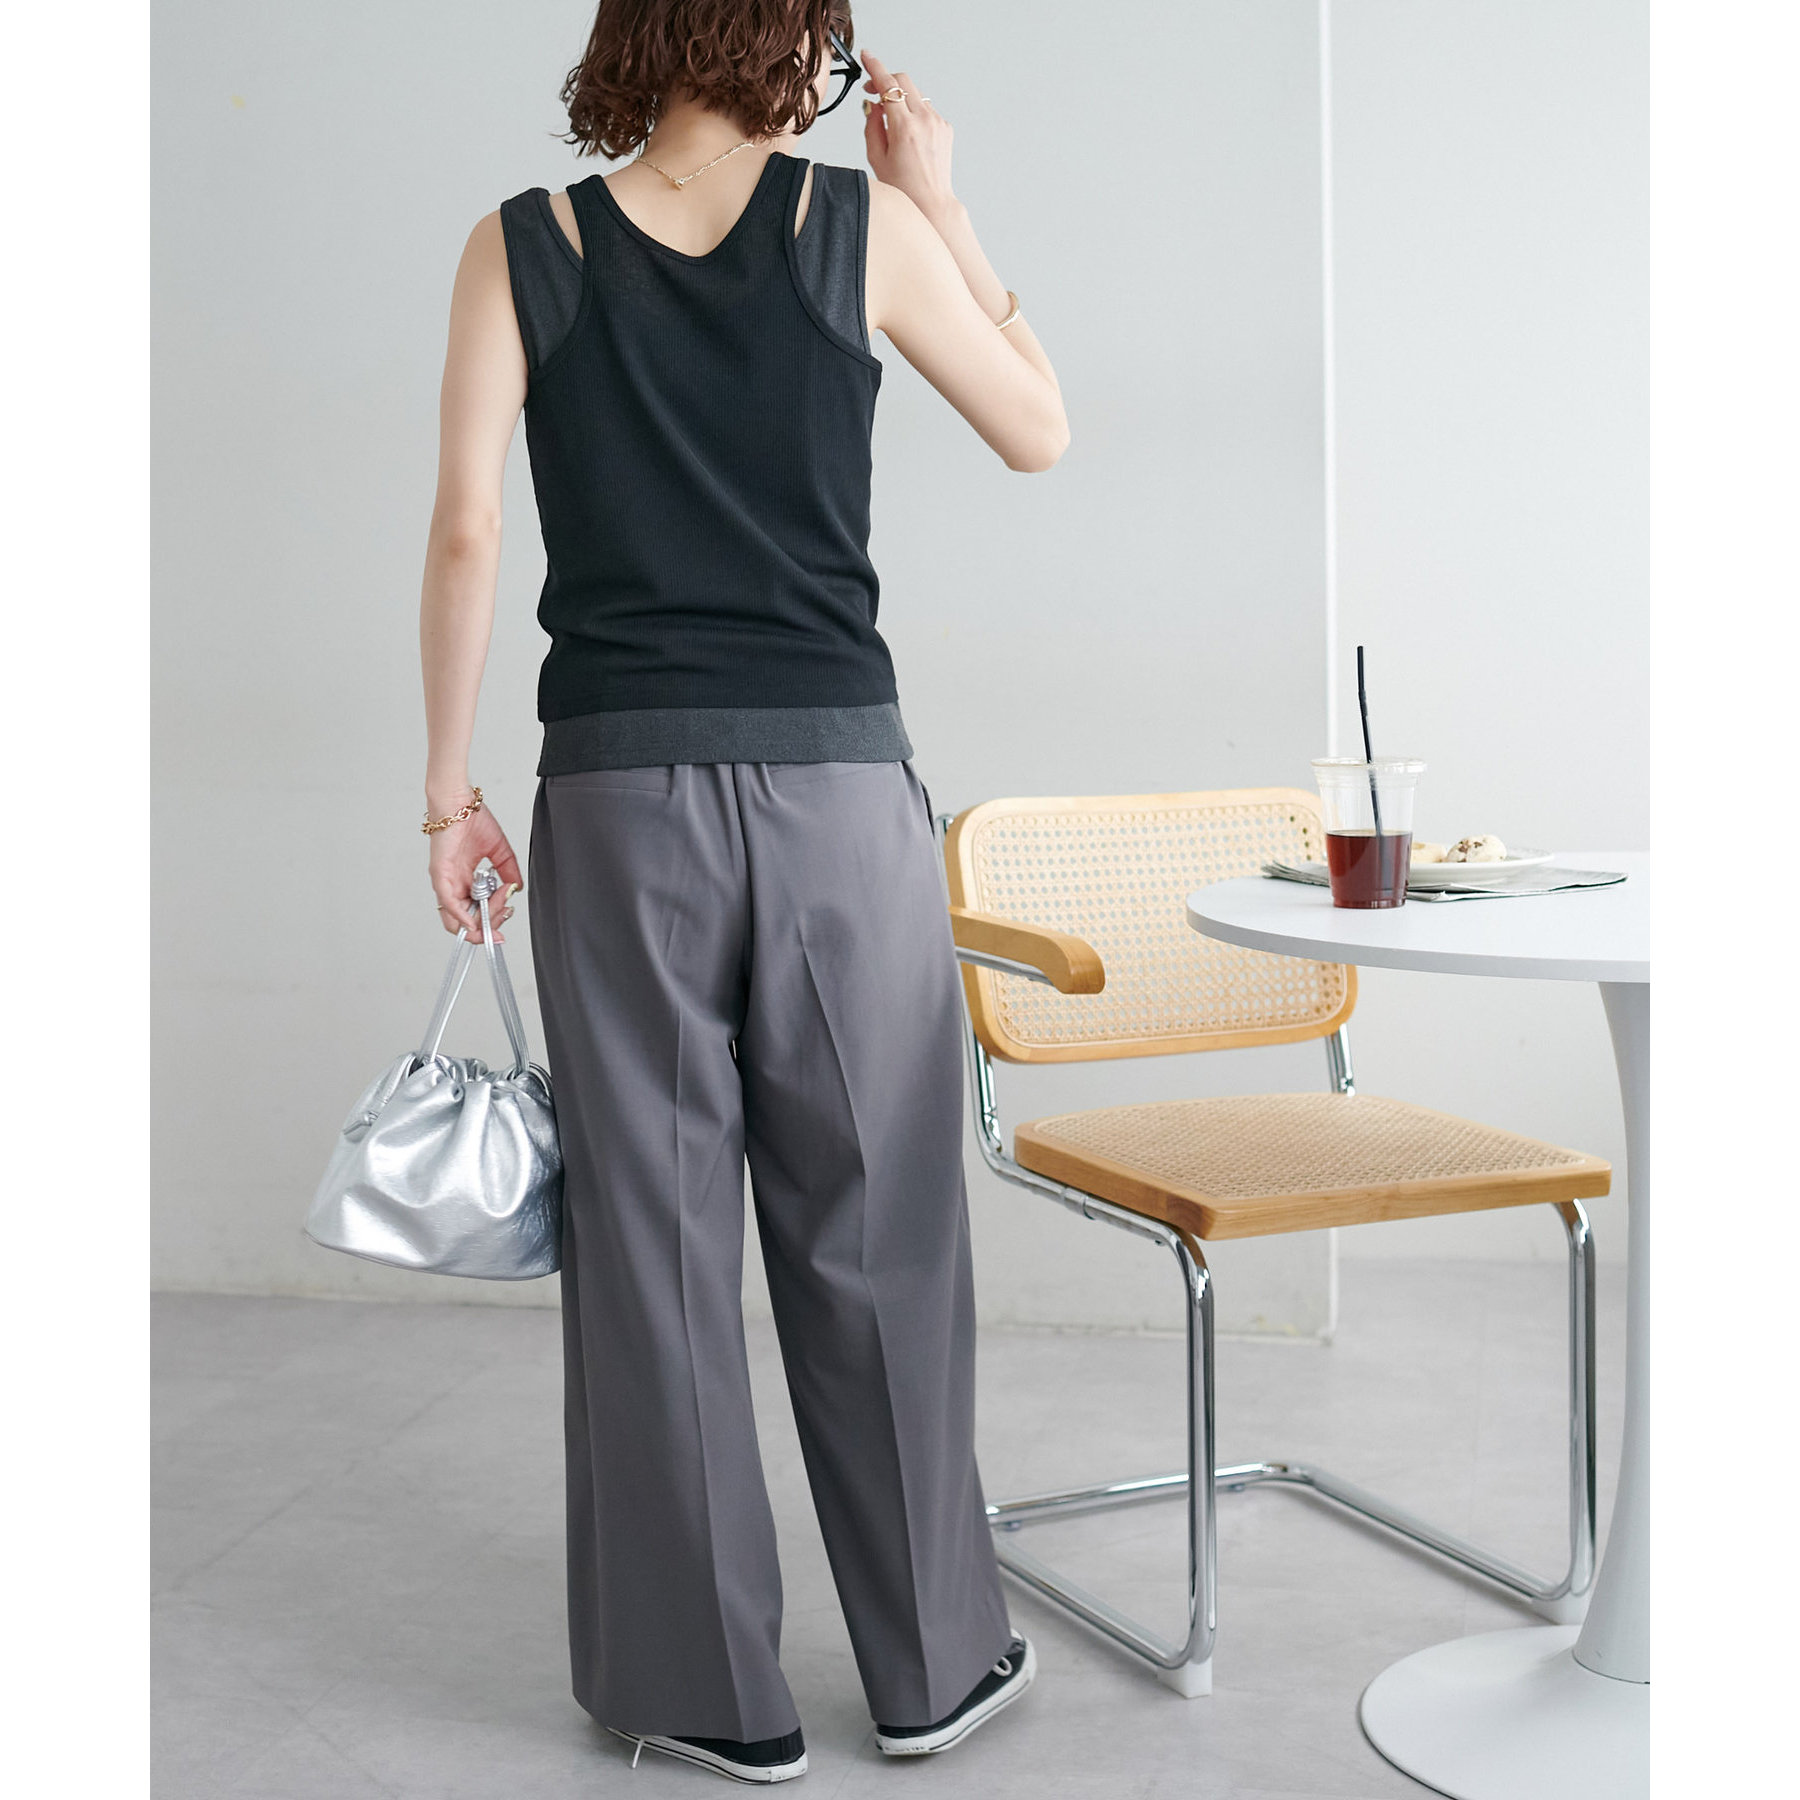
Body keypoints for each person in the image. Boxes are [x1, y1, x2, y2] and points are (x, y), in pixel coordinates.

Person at [417, 0, 1067, 1783]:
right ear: (793, 44)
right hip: (841, 799)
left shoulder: (521, 247)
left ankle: (710, 1694)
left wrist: (447, 791)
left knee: (653, 1242)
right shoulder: (865, 234)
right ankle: (935, 1667)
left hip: (617, 798)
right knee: (880, 1229)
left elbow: (468, 527)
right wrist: (944, 205)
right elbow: (1040, 429)